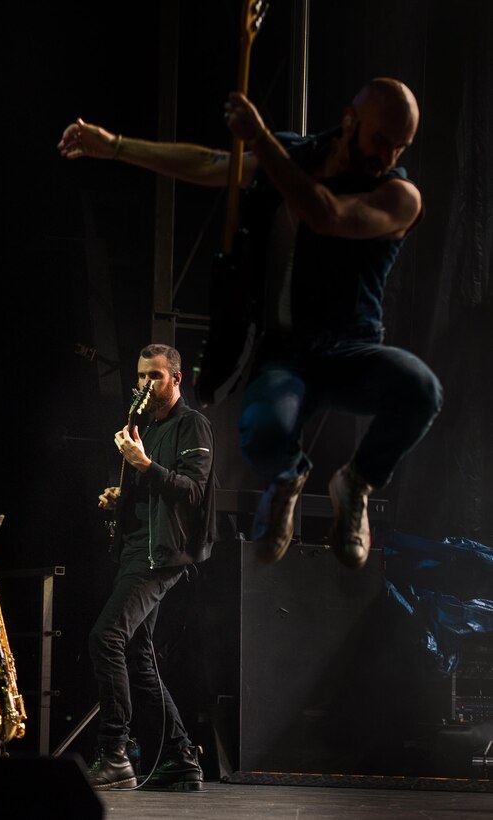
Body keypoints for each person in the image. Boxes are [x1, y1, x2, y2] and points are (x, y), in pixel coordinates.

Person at [57, 76, 443, 573]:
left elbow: (325, 213)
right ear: (349, 121)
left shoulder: (400, 196)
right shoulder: (290, 158)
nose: (388, 156)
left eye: (400, 147)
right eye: (380, 141)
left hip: (353, 351)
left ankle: (358, 483)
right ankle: (287, 479)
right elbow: (209, 164)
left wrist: (260, 138)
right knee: (262, 430)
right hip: (288, 355)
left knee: (422, 390)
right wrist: (116, 147)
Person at [86, 343, 216, 791]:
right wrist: (122, 494)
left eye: (154, 376)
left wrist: (143, 463)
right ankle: (180, 758)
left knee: (107, 637)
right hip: (135, 549)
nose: (145, 385)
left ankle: (116, 753)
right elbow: (154, 488)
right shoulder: (145, 426)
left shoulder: (191, 424)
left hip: (161, 556)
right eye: (141, 377)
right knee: (138, 657)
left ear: (176, 379)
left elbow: (192, 490)